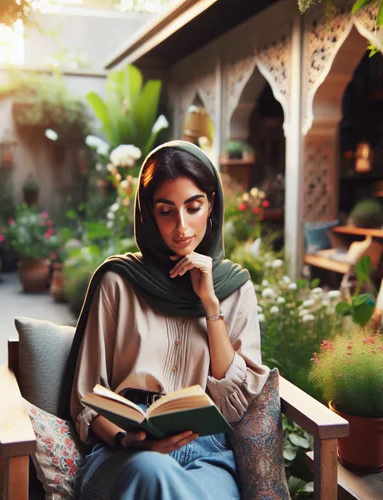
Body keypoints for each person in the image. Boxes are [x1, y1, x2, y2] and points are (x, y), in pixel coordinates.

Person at [63, 141, 269, 499]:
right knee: (153, 473)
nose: (182, 227)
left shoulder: (235, 288)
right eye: (166, 211)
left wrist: (210, 302)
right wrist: (127, 440)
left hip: (208, 454)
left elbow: (235, 403)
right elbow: (86, 400)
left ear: (211, 205)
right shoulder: (118, 283)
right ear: (148, 213)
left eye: (193, 207)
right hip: (126, 453)